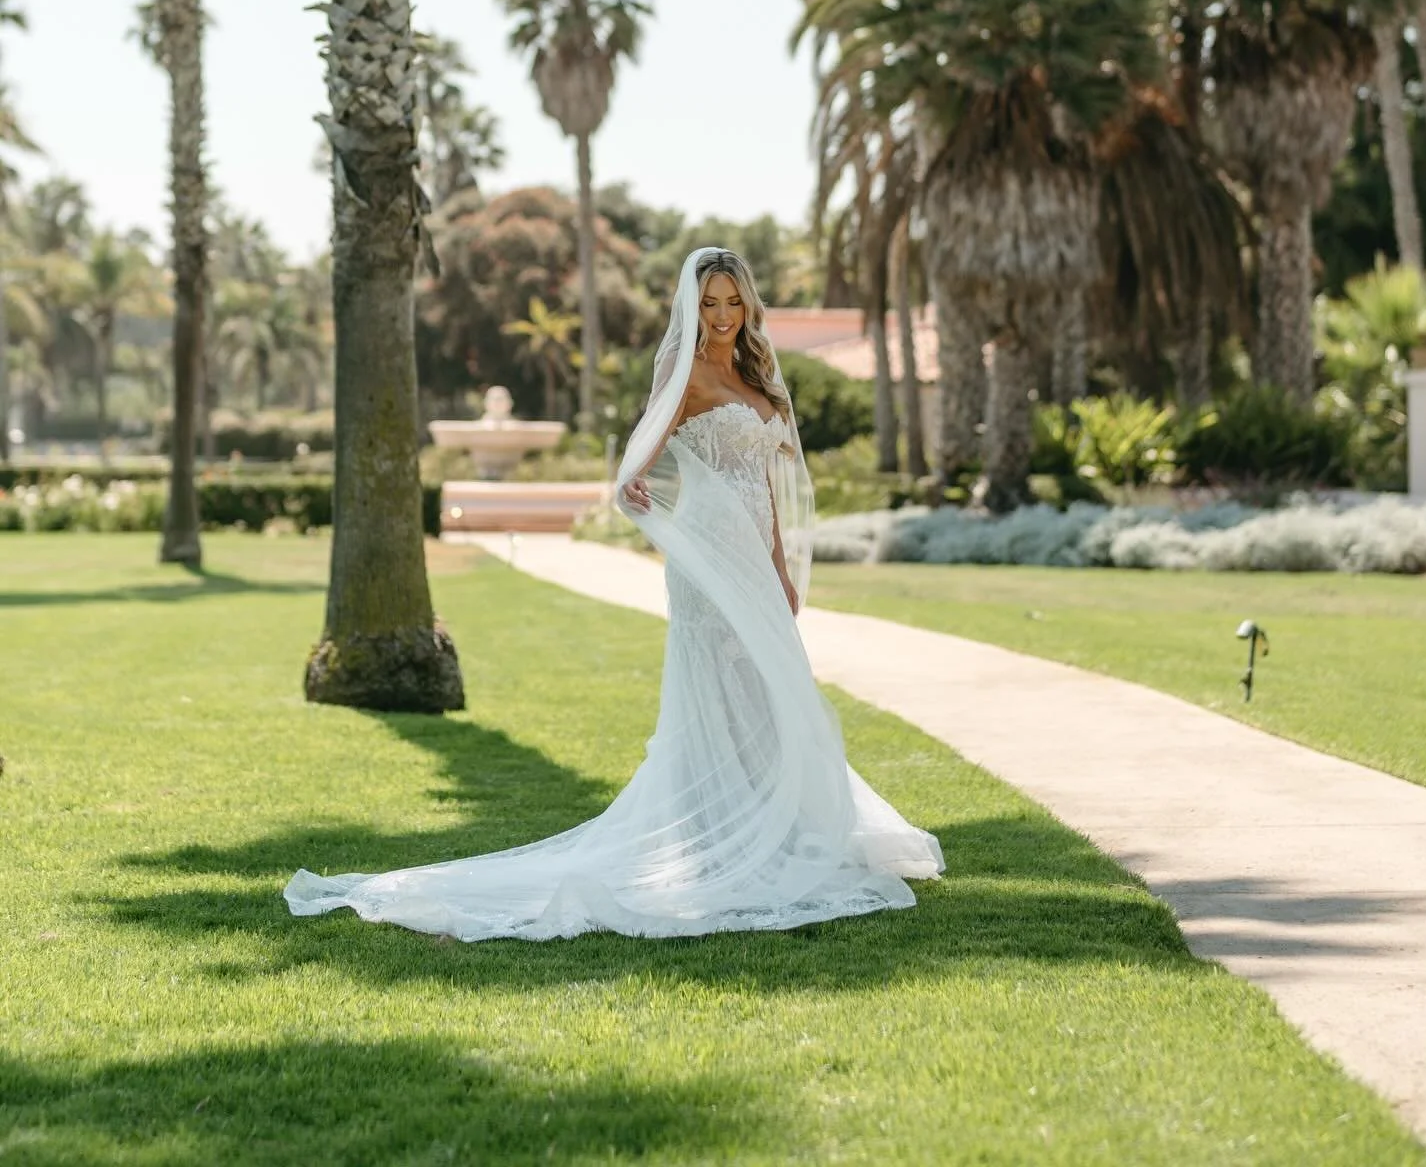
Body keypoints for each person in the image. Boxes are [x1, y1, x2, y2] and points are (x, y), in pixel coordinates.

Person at [283, 247, 943, 940]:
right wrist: (653, 509)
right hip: (708, 555)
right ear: (692, 308)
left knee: (770, 686)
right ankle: (724, 836)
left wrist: (780, 568)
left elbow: (769, 488)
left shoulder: (756, 375)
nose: (721, 316)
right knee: (726, 686)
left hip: (753, 556)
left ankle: (773, 825)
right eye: (709, 303)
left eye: (732, 302)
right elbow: (635, 470)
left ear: (748, 305)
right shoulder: (685, 375)